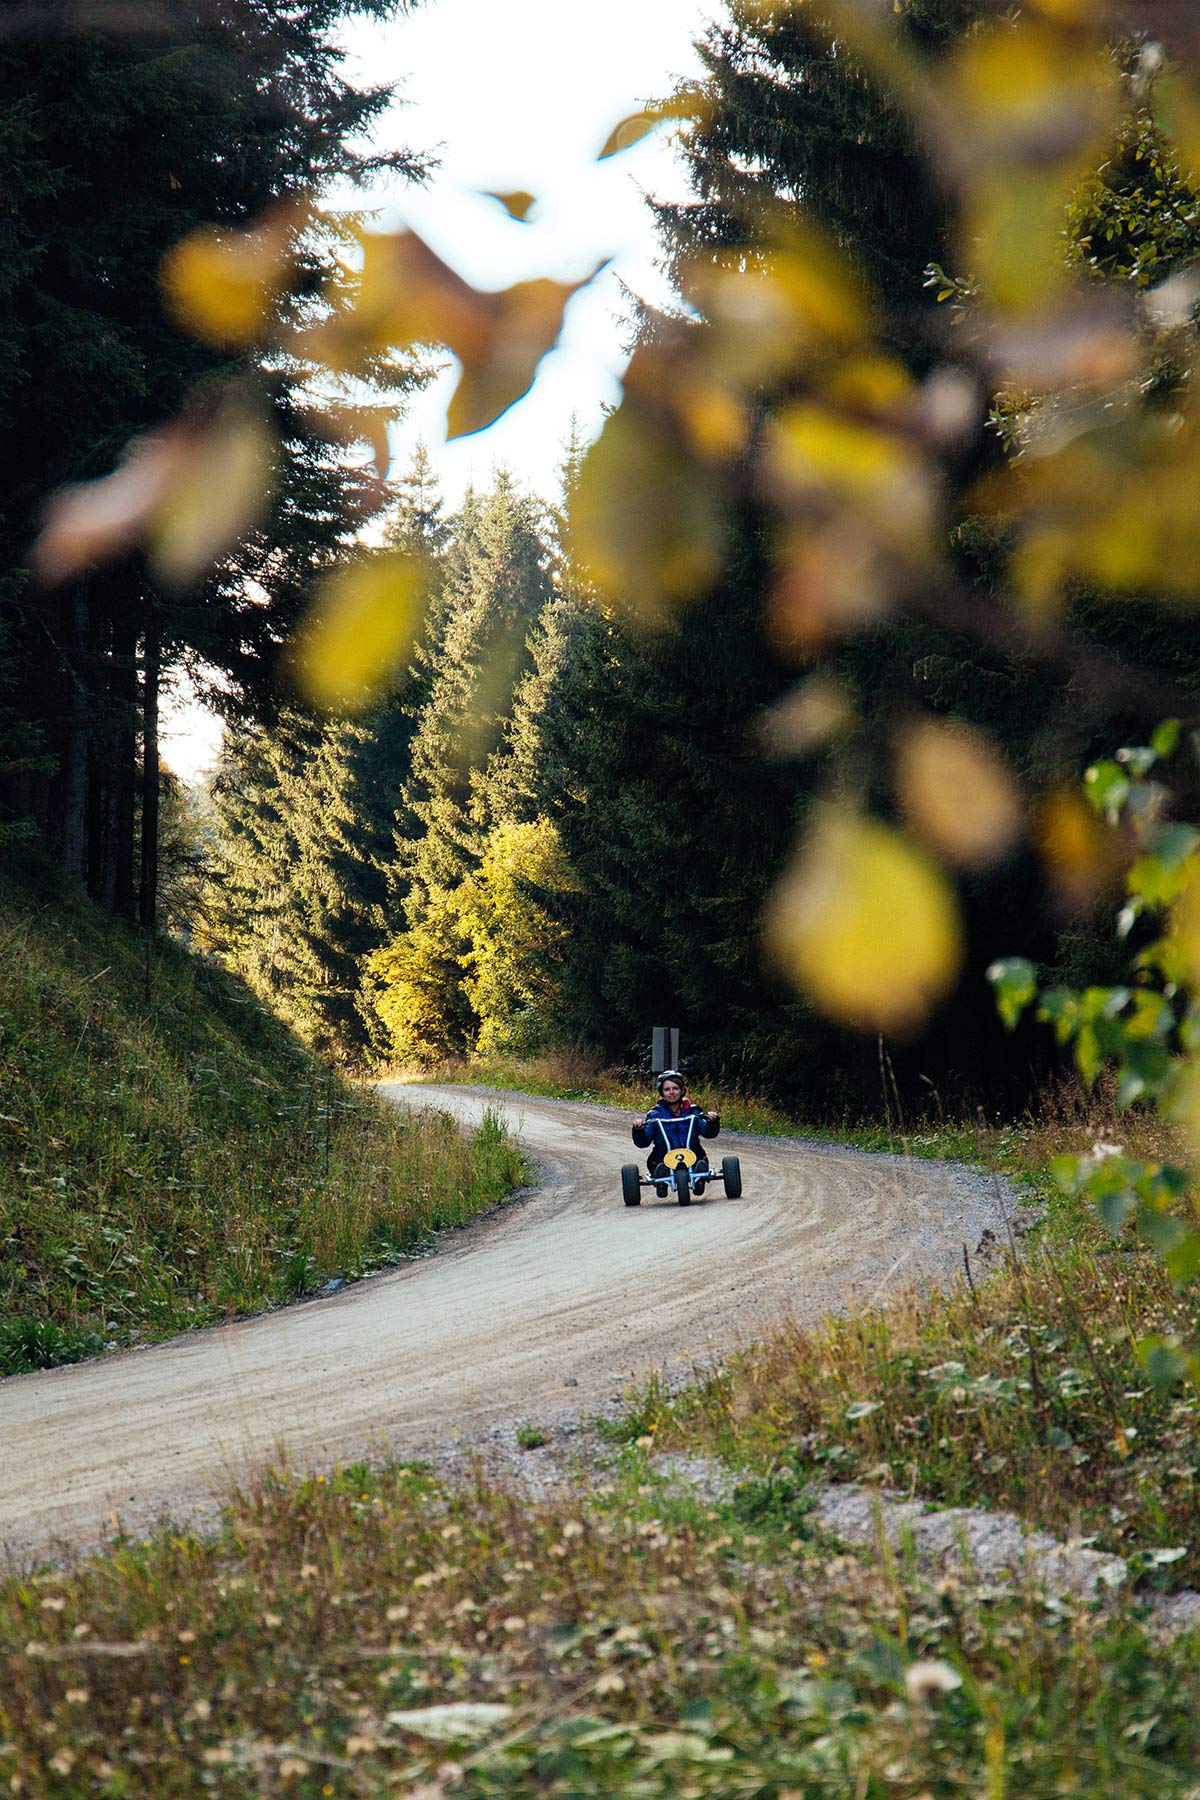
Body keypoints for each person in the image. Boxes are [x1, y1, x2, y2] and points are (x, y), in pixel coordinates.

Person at [632, 1070, 720, 1191]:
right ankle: (661, 1177)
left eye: (675, 1088)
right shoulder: (655, 1115)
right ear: (662, 1092)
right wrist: (638, 1130)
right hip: (663, 1157)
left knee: (695, 1149)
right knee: (661, 1149)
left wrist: (712, 1122)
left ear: (682, 1090)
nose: (672, 1093)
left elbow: (708, 1133)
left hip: (692, 1154)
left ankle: (699, 1177)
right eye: (667, 1089)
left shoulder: (693, 1112)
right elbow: (643, 1142)